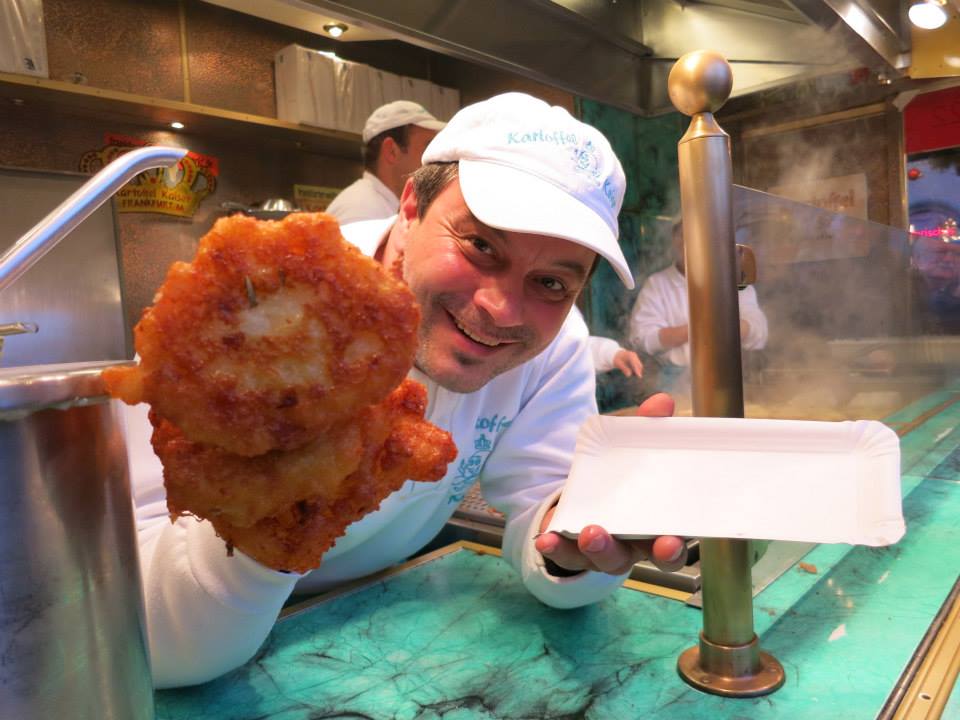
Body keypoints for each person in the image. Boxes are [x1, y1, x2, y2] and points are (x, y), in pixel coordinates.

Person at [127, 92, 685, 688]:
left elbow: (541, 502)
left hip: (382, 628)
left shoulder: (554, 343)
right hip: (209, 632)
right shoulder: (251, 314)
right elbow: (135, 626)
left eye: (551, 281)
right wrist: (283, 506)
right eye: (480, 246)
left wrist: (575, 533)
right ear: (412, 205)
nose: (500, 308)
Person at [628, 220, 768, 383]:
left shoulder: (733, 283)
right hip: (675, 382)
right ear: (676, 240)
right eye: (686, 236)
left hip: (731, 378)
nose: (695, 244)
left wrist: (722, 329)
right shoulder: (657, 284)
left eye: (703, 237)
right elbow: (643, 339)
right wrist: (701, 329)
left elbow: (759, 330)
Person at [325, 100, 445, 225]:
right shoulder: (362, 210)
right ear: (391, 151)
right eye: (428, 147)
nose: (435, 158)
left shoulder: (381, 205)